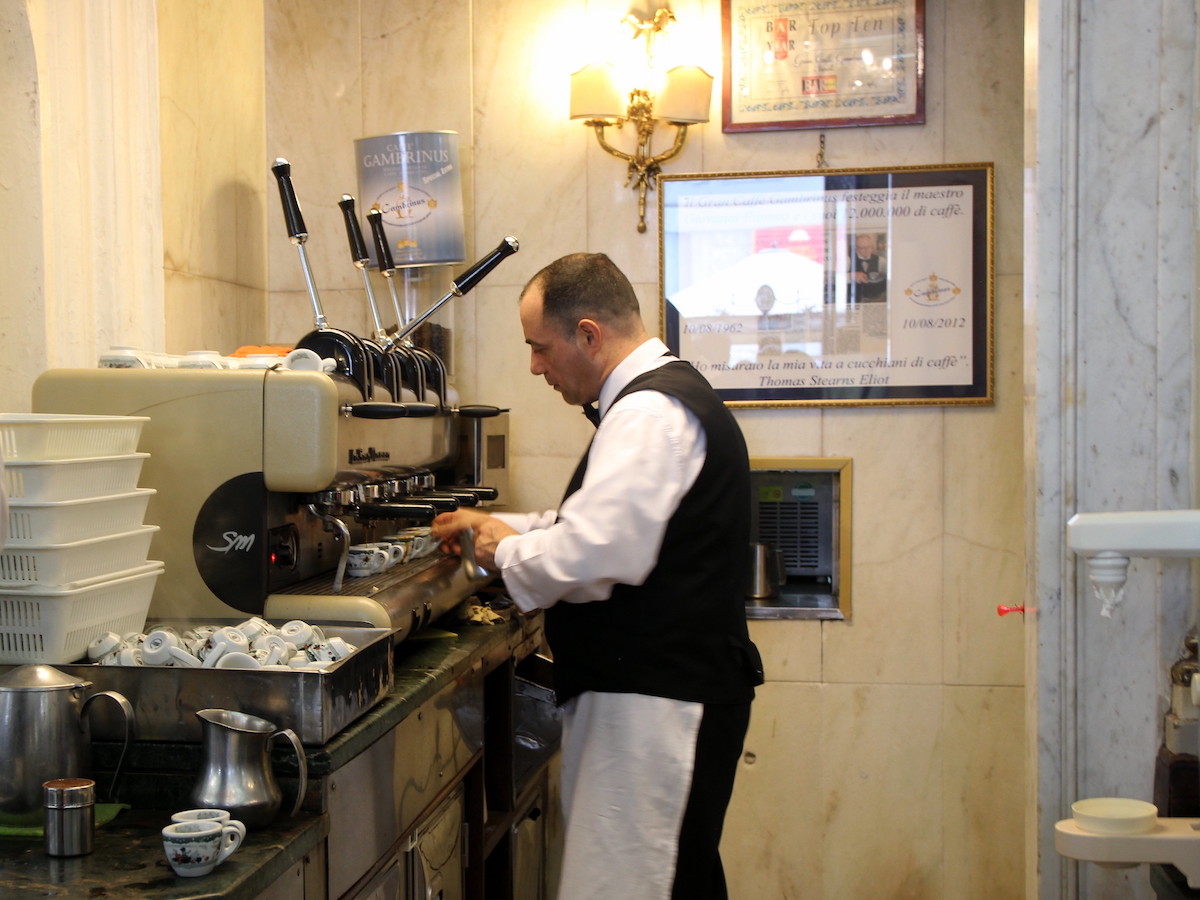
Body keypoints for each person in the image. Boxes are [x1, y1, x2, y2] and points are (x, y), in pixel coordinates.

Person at [431, 252, 763, 900]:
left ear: (588, 333)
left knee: (632, 885)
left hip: (655, 707)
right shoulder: (659, 398)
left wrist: (501, 553)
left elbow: (603, 549)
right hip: (658, 696)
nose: (534, 367)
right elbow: (604, 522)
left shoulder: (648, 413)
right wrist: (510, 526)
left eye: (539, 347)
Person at [849, 231, 887, 302]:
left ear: (872, 247)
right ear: (856, 248)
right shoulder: (848, 260)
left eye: (869, 247)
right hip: (855, 300)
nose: (866, 250)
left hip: (876, 299)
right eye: (862, 248)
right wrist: (850, 275)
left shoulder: (882, 260)